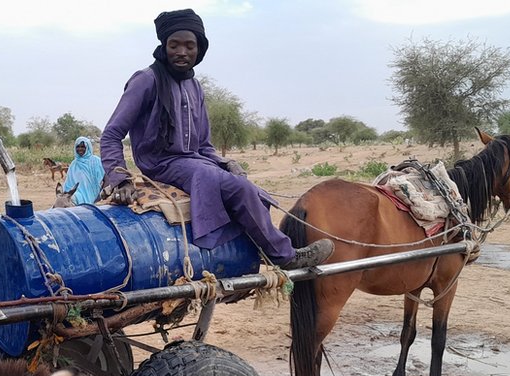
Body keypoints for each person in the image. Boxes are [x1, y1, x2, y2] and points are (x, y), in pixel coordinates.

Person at [100, 8, 333, 269]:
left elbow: (203, 145)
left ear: (200, 49)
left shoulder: (194, 86)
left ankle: (256, 250)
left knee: (249, 188)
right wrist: (120, 179)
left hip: (194, 161)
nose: (182, 52)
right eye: (174, 45)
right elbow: (111, 134)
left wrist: (225, 162)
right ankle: (286, 256)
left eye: (189, 46)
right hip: (161, 163)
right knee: (229, 185)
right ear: (164, 46)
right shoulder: (146, 80)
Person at [62, 136, 105, 205]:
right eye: (78, 147)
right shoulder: (74, 164)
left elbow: (104, 180)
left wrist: (100, 196)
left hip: (94, 195)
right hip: (75, 195)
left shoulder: (96, 161)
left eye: (83, 147)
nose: (80, 149)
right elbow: (68, 183)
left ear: (88, 147)